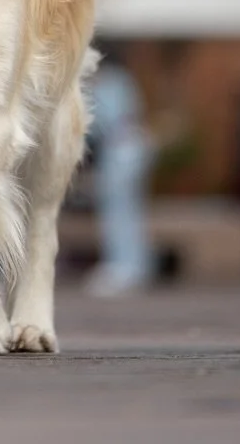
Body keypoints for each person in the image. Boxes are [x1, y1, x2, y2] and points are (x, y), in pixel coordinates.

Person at [85, 49, 154, 297]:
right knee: (128, 211)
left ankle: (125, 267)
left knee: (118, 211)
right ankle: (136, 265)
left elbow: (99, 122)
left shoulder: (108, 83)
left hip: (122, 150)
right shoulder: (121, 80)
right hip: (130, 148)